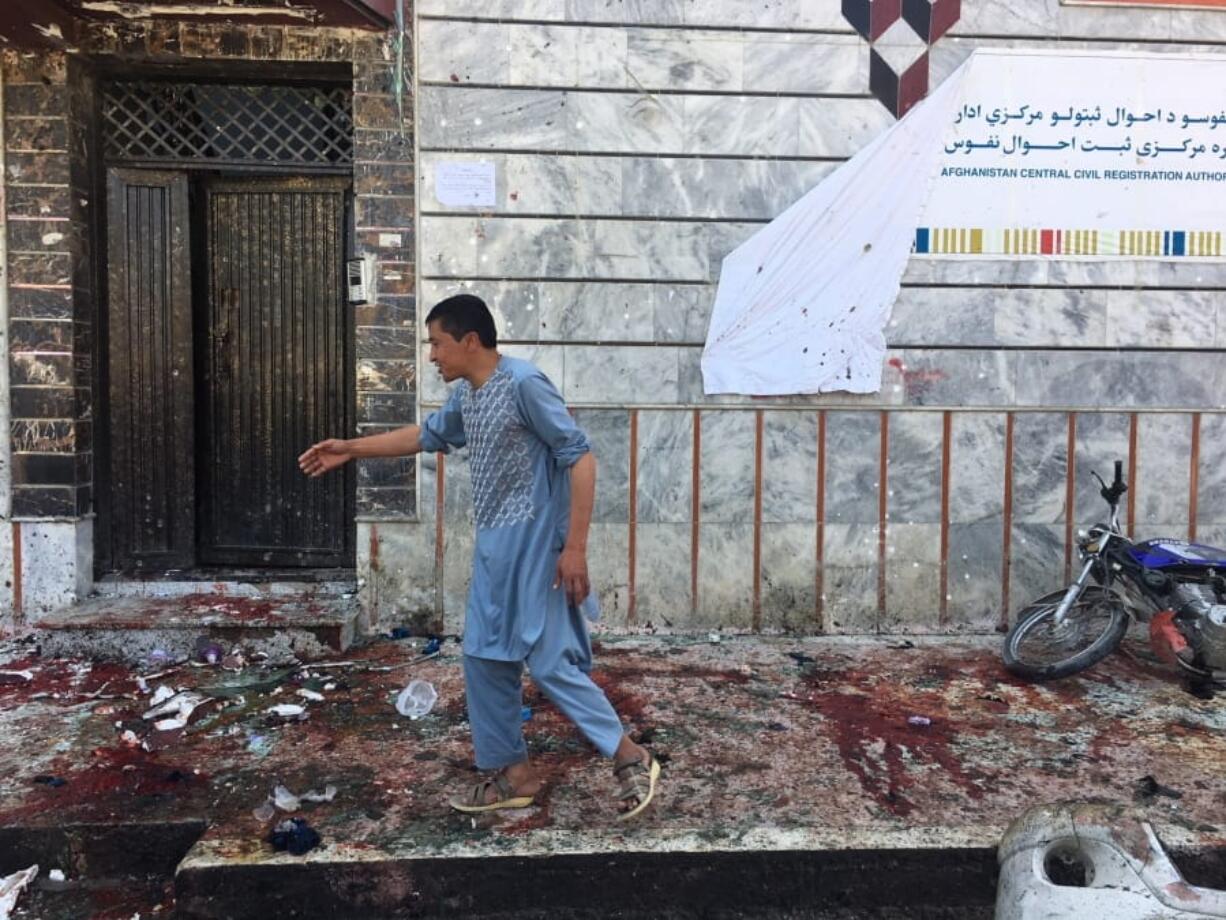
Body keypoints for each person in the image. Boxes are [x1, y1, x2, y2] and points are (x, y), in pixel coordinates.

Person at [298, 294, 660, 820]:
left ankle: (631, 757)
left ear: (470, 341)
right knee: (485, 659)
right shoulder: (469, 397)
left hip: (540, 552)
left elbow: (579, 458)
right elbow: (424, 435)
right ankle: (515, 775)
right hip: (495, 553)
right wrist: (350, 448)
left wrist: (575, 549)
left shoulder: (524, 384)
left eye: (437, 344)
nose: (431, 356)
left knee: (550, 661)